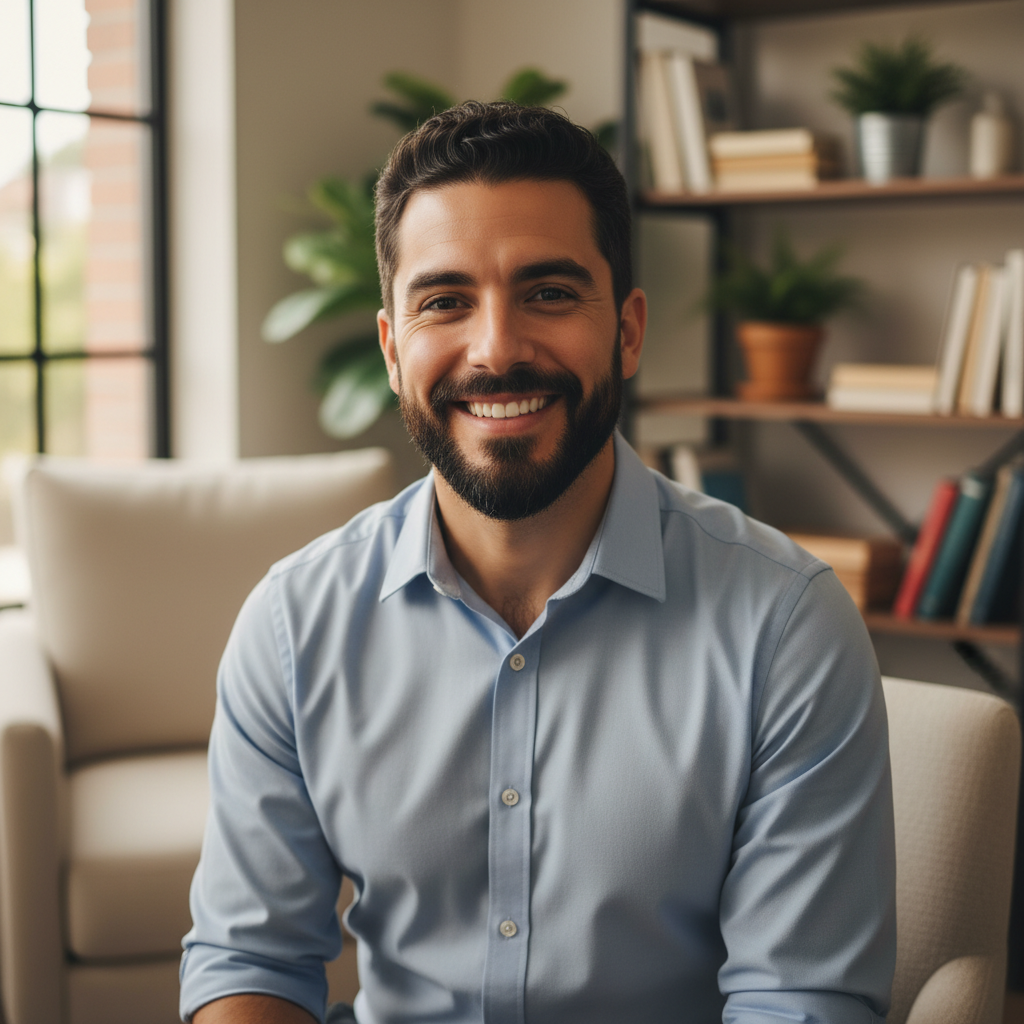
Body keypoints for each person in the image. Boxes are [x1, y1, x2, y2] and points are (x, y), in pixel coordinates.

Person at [180, 101, 895, 1024]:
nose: (497, 349)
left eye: (549, 293)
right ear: (395, 350)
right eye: (445, 301)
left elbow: (798, 1000)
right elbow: (253, 961)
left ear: (628, 331)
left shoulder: (786, 627)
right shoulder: (292, 625)